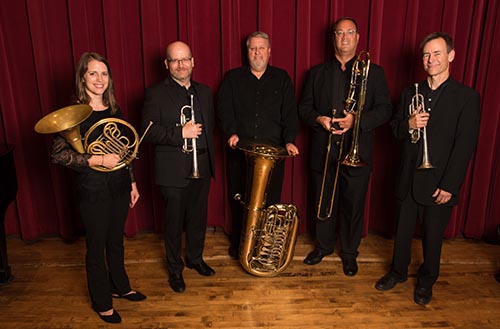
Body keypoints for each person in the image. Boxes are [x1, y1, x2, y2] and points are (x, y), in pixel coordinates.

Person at [375, 32, 480, 305]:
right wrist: (408, 124)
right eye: (426, 55)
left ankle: (426, 281)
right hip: (408, 177)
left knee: (433, 238)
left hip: (438, 182)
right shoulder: (411, 92)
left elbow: (464, 145)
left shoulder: (466, 97)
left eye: (436, 53)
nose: (430, 59)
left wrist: (450, 185)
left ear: (451, 56)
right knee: (401, 232)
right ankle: (397, 272)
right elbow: (395, 130)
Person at [51, 52, 146, 324]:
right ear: (83, 77)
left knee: (116, 240)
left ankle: (120, 286)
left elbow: (124, 148)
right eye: (93, 73)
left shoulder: (114, 109)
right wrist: (95, 159)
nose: (99, 79)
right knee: (96, 246)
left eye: (104, 74)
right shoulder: (75, 112)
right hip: (92, 188)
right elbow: (58, 154)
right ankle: (101, 301)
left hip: (118, 185)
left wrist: (132, 182)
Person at [298, 17, 392, 276]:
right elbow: (304, 109)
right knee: (322, 200)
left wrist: (356, 121)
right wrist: (320, 119)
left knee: (353, 204)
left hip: (357, 150)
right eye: (339, 33)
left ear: (358, 38)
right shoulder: (316, 74)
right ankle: (323, 246)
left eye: (350, 32)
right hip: (324, 149)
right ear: (333, 39)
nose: (344, 37)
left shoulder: (374, 72)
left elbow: (385, 109)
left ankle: (349, 253)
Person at [217, 31, 300, 259]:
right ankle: (239, 244)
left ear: (269, 51)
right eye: (253, 48)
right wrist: (231, 132)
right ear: (247, 52)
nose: (257, 52)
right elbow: (224, 109)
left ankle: (265, 245)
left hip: (272, 155)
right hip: (240, 152)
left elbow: (290, 113)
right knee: (240, 200)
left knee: (270, 202)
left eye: (261, 48)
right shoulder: (233, 77)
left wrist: (290, 140)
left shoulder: (282, 78)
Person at [141, 41, 216, 293]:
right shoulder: (155, 93)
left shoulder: (204, 92)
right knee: (174, 223)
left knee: (198, 218)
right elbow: (147, 131)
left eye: (185, 59)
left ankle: (195, 259)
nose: (181, 65)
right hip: (172, 169)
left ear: (193, 62)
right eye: (175, 60)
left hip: (201, 166)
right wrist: (180, 132)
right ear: (166, 64)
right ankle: (175, 269)